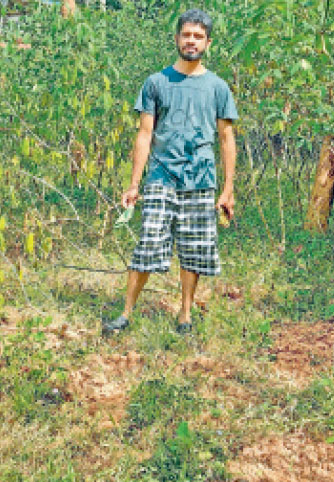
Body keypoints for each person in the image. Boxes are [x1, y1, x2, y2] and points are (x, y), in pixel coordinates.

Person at [103, 8, 238, 336]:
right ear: (176, 38)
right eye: (186, 35)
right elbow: (145, 134)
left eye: (198, 36)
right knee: (148, 244)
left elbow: (225, 137)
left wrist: (228, 189)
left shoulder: (218, 87)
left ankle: (185, 315)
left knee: (194, 250)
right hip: (162, 178)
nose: (191, 41)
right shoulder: (156, 82)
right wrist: (134, 184)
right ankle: (126, 313)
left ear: (208, 42)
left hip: (201, 180)